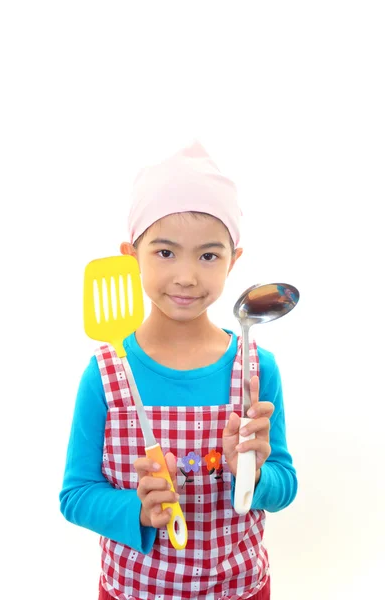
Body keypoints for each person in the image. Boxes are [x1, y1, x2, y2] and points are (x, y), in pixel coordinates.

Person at [59, 141, 298, 599]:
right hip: (134, 589)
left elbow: (283, 486)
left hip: (240, 587)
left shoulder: (255, 368)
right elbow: (76, 495)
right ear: (131, 255)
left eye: (208, 255)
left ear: (234, 260)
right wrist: (136, 509)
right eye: (165, 253)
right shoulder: (106, 372)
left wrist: (251, 471)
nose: (187, 276)